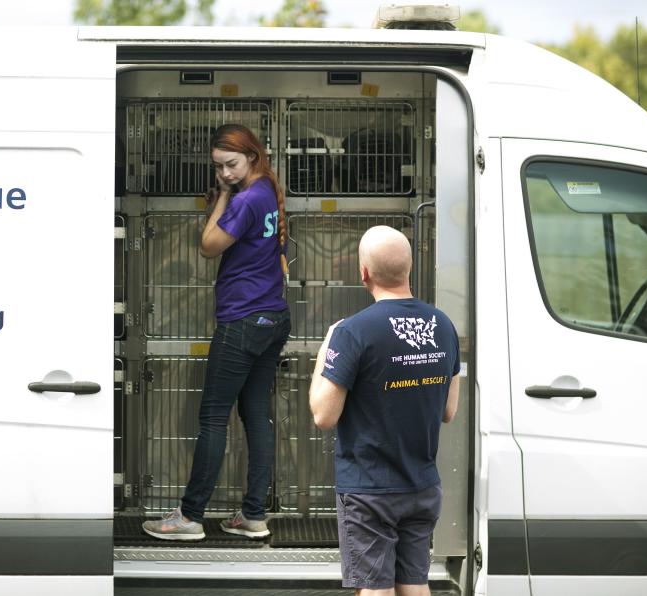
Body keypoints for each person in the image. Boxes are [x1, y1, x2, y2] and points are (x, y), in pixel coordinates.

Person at [142, 123, 291, 541]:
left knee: (212, 417)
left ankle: (190, 517)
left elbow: (207, 246)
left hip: (242, 321)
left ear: (252, 157)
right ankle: (253, 515)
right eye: (219, 168)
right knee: (256, 416)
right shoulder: (267, 191)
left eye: (231, 164)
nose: (224, 173)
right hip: (272, 318)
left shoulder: (244, 198)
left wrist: (223, 197)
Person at [308, 225, 460, 595]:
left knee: (375, 589)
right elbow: (449, 411)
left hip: (370, 489)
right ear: (409, 269)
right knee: (414, 585)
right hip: (422, 484)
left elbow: (323, 416)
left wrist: (325, 352)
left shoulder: (352, 332)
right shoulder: (443, 326)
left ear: (363, 273)